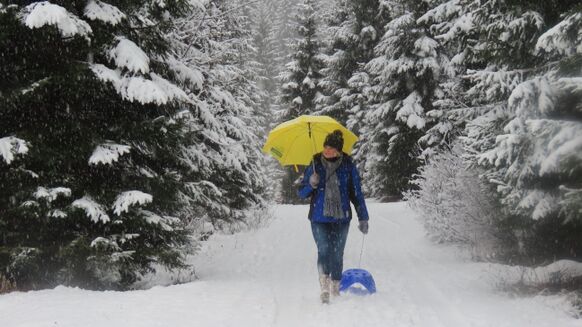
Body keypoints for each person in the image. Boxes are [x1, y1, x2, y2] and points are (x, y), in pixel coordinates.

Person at [298, 129, 369, 304]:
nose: (327, 150)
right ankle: (324, 287)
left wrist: (363, 217)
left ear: (339, 150)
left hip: (342, 218)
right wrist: (310, 184)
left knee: (337, 253)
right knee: (324, 250)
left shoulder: (348, 165)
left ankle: (335, 288)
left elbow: (356, 193)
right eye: (325, 146)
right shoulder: (315, 164)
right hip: (318, 218)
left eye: (331, 148)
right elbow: (301, 192)